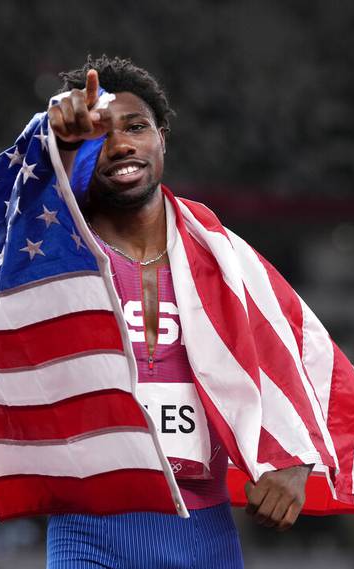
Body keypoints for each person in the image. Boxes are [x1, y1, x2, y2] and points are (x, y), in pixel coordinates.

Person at [44, 55, 311, 569]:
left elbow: (300, 365)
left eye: (136, 127)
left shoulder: (226, 261)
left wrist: (294, 459)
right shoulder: (56, 249)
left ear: (162, 137)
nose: (121, 144)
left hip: (204, 535)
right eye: (99, 133)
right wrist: (51, 142)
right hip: (87, 533)